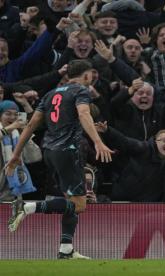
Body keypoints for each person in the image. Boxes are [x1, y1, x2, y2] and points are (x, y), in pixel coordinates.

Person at [6, 59, 114, 259]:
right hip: (68, 152)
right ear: (87, 75)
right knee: (79, 204)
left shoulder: (50, 94)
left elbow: (30, 126)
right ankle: (28, 207)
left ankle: (66, 249)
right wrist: (98, 141)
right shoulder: (81, 91)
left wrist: (15, 156)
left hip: (50, 152)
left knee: (70, 199)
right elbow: (83, 113)